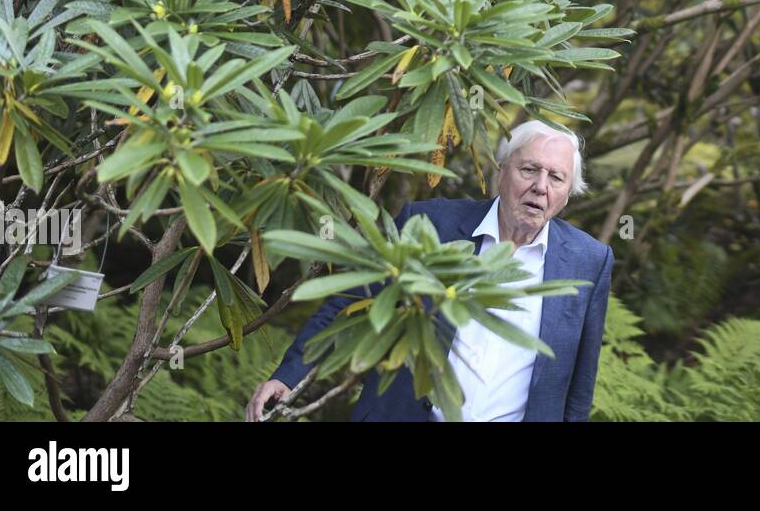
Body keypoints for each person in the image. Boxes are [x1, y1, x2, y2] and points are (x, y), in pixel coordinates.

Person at [245, 121, 613, 422]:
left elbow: (580, 382)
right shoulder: (428, 223)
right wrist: (288, 376)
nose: (540, 187)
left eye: (556, 178)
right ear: (501, 171)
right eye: (529, 169)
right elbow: (351, 300)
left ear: (568, 194)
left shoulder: (589, 261)